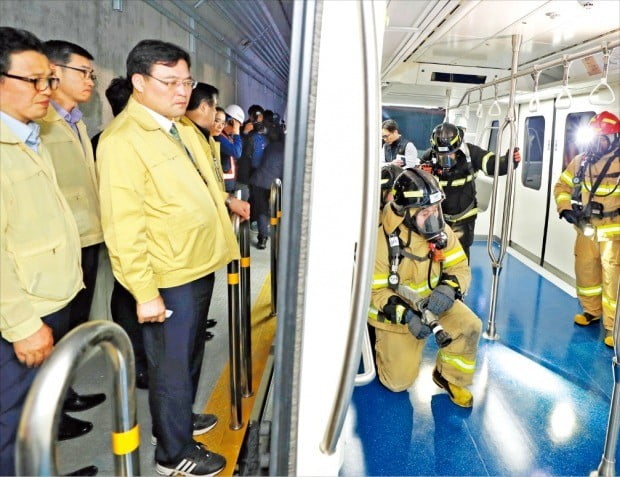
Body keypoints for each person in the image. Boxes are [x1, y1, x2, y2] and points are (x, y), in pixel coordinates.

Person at [97, 39, 240, 476]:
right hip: (167, 274)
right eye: (170, 81)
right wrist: (144, 292)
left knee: (190, 357)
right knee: (170, 367)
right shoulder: (123, 141)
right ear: (139, 83)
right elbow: (124, 226)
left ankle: (173, 424)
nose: (182, 91)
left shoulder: (183, 130)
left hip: (196, 263)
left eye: (186, 81)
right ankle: (173, 454)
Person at [0, 27, 86, 476]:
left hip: (47, 300)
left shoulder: (29, 134)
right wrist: (21, 326)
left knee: (37, 418)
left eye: (49, 80)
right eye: (34, 81)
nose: (46, 91)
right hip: (21, 317)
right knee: (13, 427)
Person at [369, 168, 481, 408]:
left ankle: (448, 376)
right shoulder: (380, 239)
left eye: (437, 209)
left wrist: (449, 289)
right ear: (407, 214)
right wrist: (407, 316)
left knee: (470, 326)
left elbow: (460, 267)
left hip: (434, 303)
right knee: (398, 383)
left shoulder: (441, 232)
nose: (434, 217)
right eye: (426, 212)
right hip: (398, 314)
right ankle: (376, 342)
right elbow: (376, 292)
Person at [38, 40, 108, 420]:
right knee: (56, 327)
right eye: (83, 71)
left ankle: (64, 395)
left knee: (74, 326)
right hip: (61, 244)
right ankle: (50, 414)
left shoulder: (76, 120)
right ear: (54, 71)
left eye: (91, 74)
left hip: (87, 237)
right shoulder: (39, 122)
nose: (90, 81)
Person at [553, 110, 620, 347]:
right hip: (586, 228)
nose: (597, 143)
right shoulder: (581, 161)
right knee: (586, 272)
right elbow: (561, 185)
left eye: (602, 139)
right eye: (594, 138)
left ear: (613, 139)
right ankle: (591, 312)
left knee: (613, 279)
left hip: (614, 233)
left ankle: (614, 327)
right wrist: (565, 209)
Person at [419, 122, 521, 261]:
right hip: (438, 217)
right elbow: (416, 181)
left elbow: (493, 165)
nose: (445, 159)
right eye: (441, 154)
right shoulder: (429, 156)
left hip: (464, 216)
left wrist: (508, 161)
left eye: (450, 154)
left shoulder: (471, 153)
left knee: (460, 256)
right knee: (436, 254)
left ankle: (460, 281)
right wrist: (423, 173)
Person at [249, 120, 285, 249]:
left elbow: (258, 162)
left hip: (259, 181)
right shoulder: (289, 151)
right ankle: (280, 237)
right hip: (275, 184)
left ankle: (263, 238)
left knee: (262, 210)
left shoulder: (270, 146)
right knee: (274, 211)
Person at [215, 104, 244, 193]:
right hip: (222, 187)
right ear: (231, 121)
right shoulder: (219, 137)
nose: (239, 127)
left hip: (228, 186)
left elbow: (239, 147)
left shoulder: (228, 137)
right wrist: (236, 132)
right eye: (238, 124)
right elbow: (237, 152)